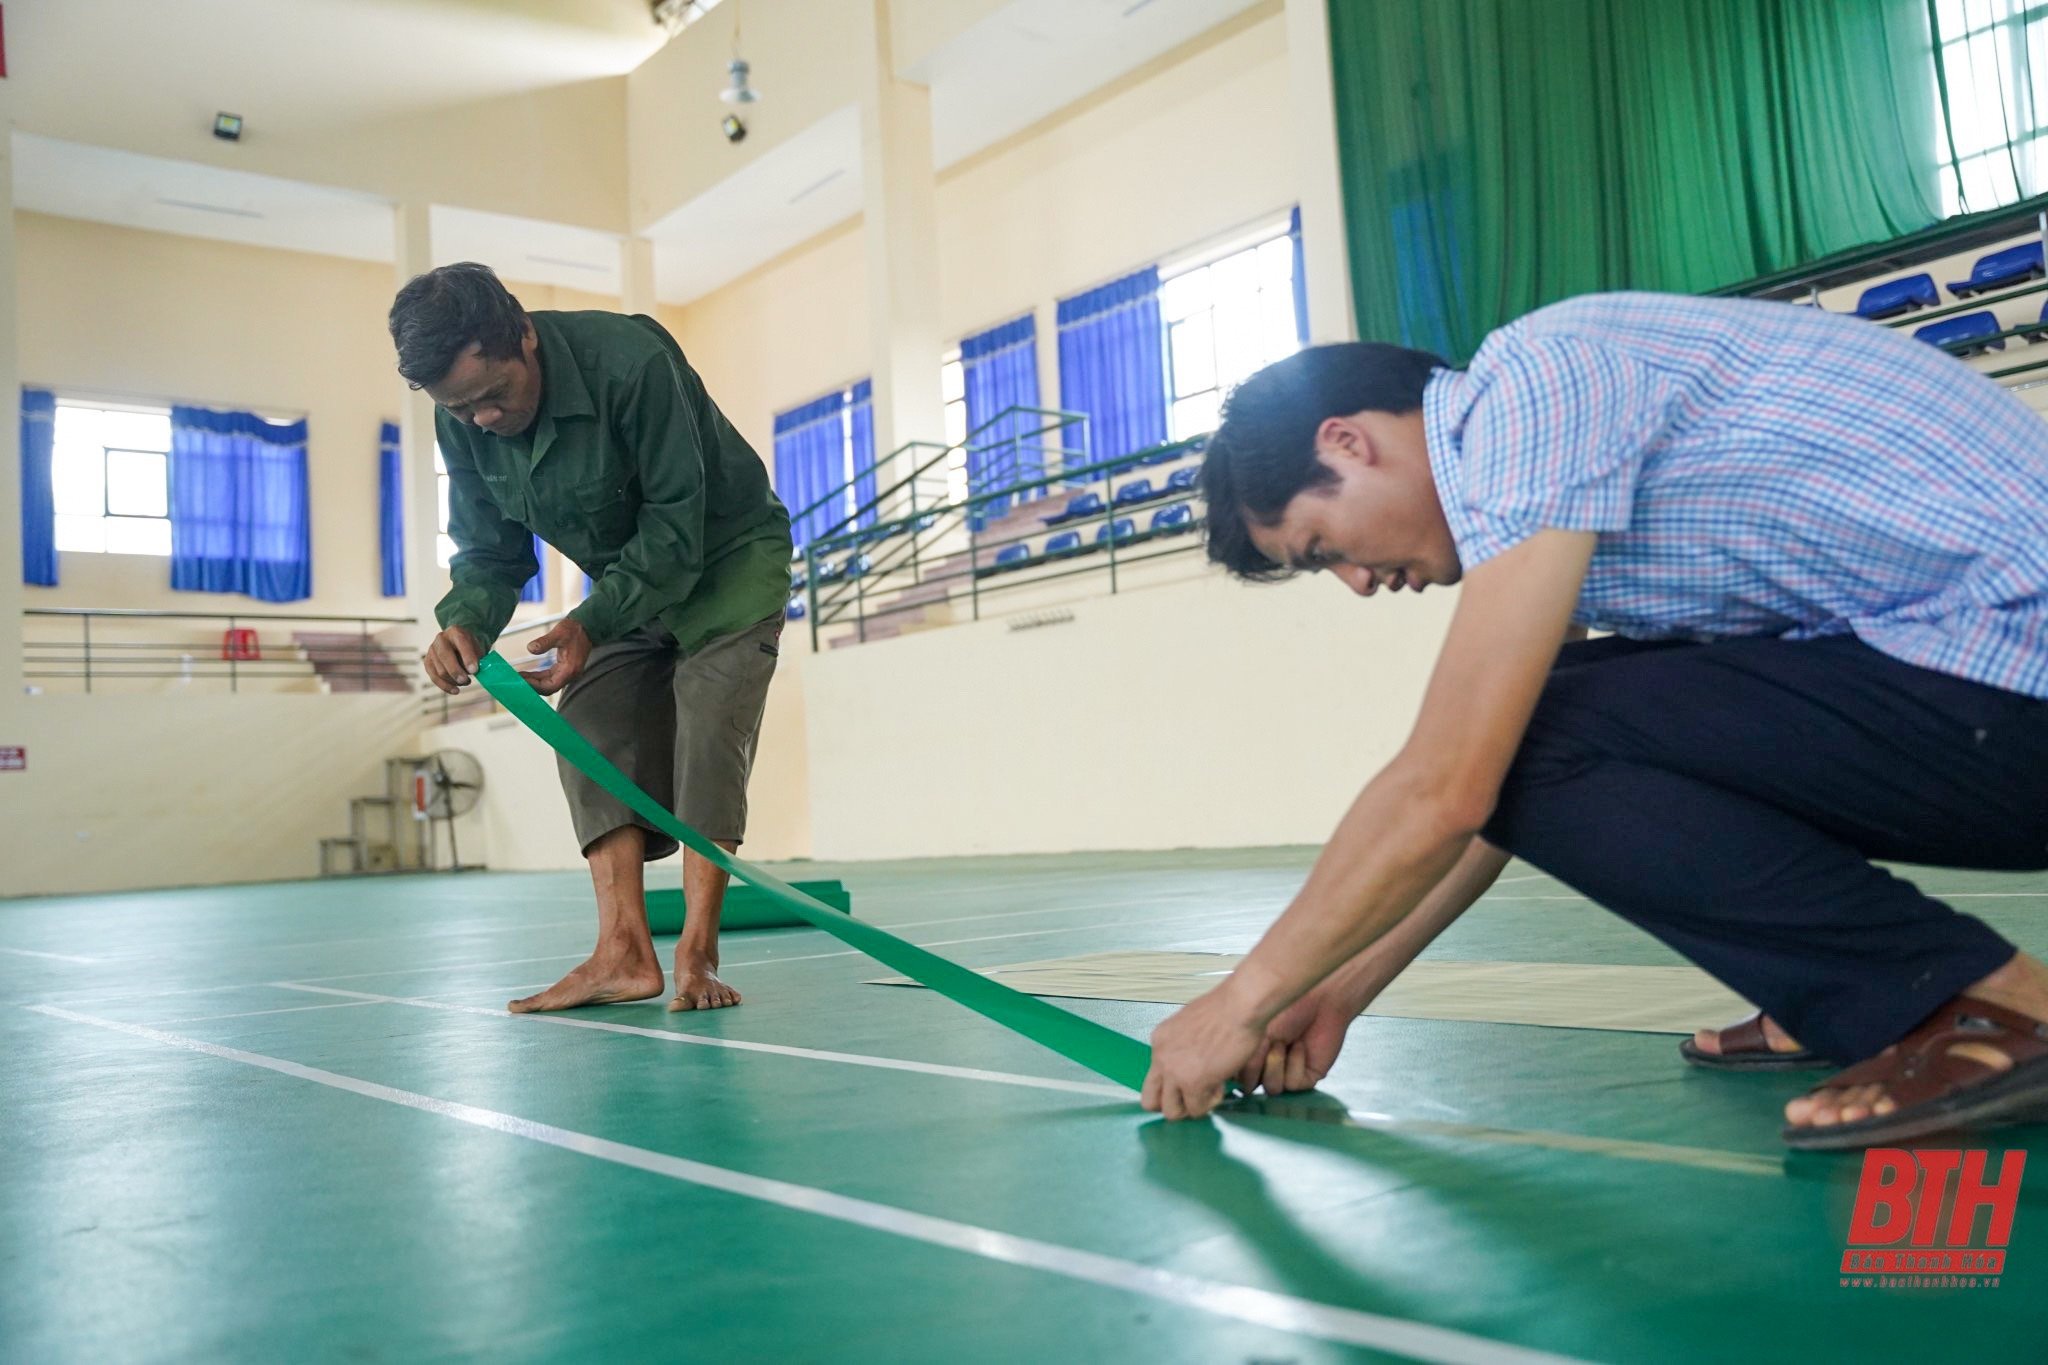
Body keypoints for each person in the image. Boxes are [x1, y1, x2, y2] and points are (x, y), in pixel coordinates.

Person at [1141, 291, 2048, 1150]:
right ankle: (1859, 994)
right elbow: (1497, 789)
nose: (1359, 583)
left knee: (1540, 721)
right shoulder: (1539, 474)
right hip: (1972, 681)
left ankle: (1972, 1002)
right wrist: (1339, 990)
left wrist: (1241, 1003)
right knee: (1548, 713)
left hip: (2010, 660)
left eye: (1325, 547)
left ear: (1346, 441)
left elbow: (1452, 781)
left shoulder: (1531, 392)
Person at [389, 262, 793, 1016]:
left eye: (491, 396)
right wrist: (465, 621)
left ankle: (697, 955)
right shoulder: (463, 417)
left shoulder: (632, 363)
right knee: (589, 725)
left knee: (708, 729)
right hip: (626, 582)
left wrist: (592, 621)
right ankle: (622, 954)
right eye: (459, 408)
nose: (480, 419)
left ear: (526, 338)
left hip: (728, 559)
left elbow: (677, 525)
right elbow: (489, 549)